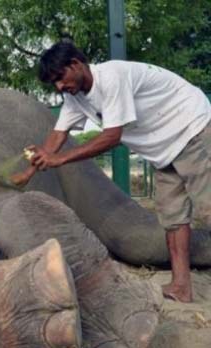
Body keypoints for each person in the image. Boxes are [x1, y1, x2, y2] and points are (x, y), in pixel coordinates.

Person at [11, 41, 211, 303]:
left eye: (60, 78)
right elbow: (58, 134)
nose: (60, 87)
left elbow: (112, 136)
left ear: (76, 64)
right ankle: (181, 287)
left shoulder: (112, 77)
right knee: (172, 220)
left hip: (192, 127)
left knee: (208, 208)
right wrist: (28, 173)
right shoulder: (75, 97)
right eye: (54, 84)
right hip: (163, 150)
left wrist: (59, 160)